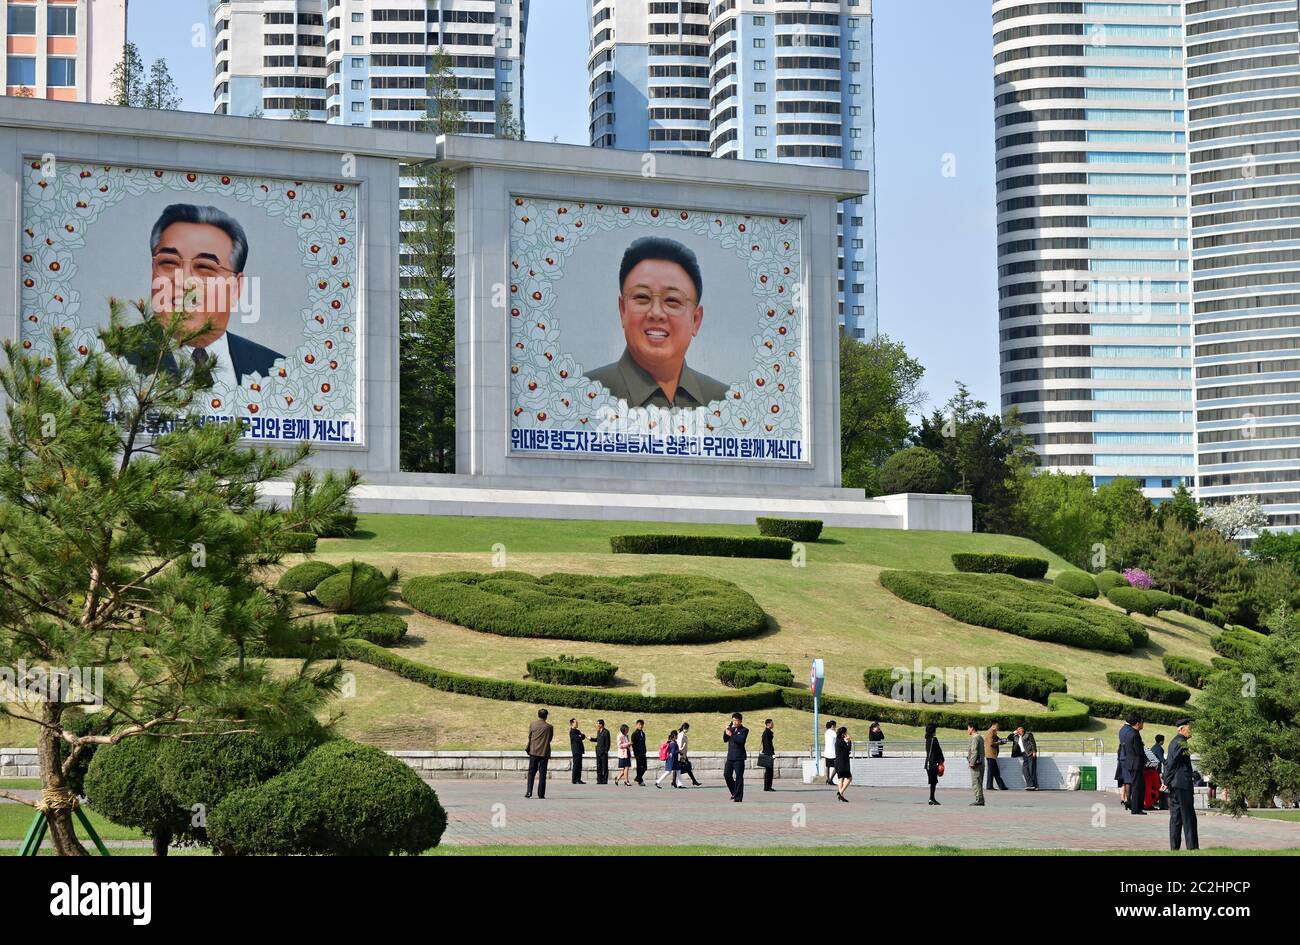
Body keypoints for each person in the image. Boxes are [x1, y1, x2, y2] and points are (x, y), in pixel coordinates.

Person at [147, 203, 283, 385]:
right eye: (169, 262)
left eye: (204, 267)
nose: (184, 281)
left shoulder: (277, 370)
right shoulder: (111, 357)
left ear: (236, 288)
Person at [585, 236, 729, 409]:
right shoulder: (582, 394)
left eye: (672, 300)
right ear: (623, 310)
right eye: (642, 297)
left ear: (695, 320)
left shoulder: (725, 403)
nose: (656, 313)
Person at [1162, 719, 1199, 850]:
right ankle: (1192, 847)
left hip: (1175, 784)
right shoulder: (1181, 742)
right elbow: (1172, 763)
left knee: (1176, 817)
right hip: (1182, 784)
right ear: (1182, 729)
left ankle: (1174, 848)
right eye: (1190, 728)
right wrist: (1165, 781)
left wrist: (1166, 781)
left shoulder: (1175, 742)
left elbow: (1169, 763)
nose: (1191, 731)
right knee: (1188, 816)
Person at [1120, 715, 1147, 814]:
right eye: (1142, 722)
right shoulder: (1135, 734)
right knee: (1137, 787)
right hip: (1136, 763)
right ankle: (1136, 808)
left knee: (1137, 786)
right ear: (1137, 723)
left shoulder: (1128, 733)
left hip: (1130, 763)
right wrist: (1145, 759)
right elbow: (1138, 751)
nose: (1142, 724)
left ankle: (1136, 807)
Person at [525, 708, 554, 800]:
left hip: (533, 751)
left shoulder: (533, 724)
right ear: (546, 716)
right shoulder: (549, 727)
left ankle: (529, 792)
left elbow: (529, 736)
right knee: (542, 773)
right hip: (544, 752)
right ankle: (541, 794)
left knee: (531, 773)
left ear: (538, 715)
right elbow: (550, 739)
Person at [723, 713, 748, 802]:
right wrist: (726, 731)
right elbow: (725, 740)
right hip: (730, 757)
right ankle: (734, 792)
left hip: (739, 757)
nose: (734, 722)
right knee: (726, 774)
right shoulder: (731, 729)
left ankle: (738, 797)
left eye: (736, 720)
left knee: (739, 777)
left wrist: (731, 735)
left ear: (740, 721)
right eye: (733, 720)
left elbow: (741, 740)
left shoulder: (744, 730)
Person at [924, 722, 945, 806]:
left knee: (933, 781)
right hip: (933, 763)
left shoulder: (927, 740)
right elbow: (938, 751)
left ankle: (931, 798)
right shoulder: (934, 739)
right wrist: (942, 760)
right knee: (934, 782)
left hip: (928, 763)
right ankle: (931, 798)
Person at [1012, 724, 1038, 791]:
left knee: (1032, 770)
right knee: (1025, 770)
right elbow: (1008, 738)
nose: (1020, 729)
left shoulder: (1028, 734)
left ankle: (1035, 785)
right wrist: (1013, 733)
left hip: (1030, 753)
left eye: (1021, 728)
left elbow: (1033, 743)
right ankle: (1030, 785)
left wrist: (1034, 751)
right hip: (1024, 755)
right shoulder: (1016, 737)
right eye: (1019, 729)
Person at [966, 721, 986, 806]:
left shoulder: (975, 738)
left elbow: (974, 751)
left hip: (976, 765)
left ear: (972, 728)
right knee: (979, 782)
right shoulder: (980, 737)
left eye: (968, 728)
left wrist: (972, 762)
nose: (967, 730)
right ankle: (980, 799)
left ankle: (979, 800)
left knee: (976, 782)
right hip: (981, 763)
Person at [984, 723, 1008, 791]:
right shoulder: (990, 732)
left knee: (995, 771)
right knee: (992, 771)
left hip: (992, 755)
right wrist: (1000, 742)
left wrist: (1002, 741)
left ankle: (1001, 786)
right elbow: (991, 743)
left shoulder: (993, 733)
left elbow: (998, 739)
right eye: (997, 726)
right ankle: (990, 786)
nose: (998, 728)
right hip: (990, 754)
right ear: (993, 726)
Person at [675, 721, 700, 786]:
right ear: (684, 728)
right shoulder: (681, 735)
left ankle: (694, 781)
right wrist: (681, 756)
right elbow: (679, 746)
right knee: (680, 768)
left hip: (684, 755)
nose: (688, 730)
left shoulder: (684, 735)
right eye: (687, 728)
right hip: (681, 755)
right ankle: (674, 781)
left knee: (687, 768)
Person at [834, 726, 853, 803]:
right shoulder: (842, 741)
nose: (846, 734)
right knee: (849, 778)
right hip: (843, 763)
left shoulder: (837, 741)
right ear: (843, 734)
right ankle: (840, 793)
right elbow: (848, 749)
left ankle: (841, 796)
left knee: (840, 778)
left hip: (837, 762)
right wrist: (849, 741)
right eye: (845, 733)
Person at [1151, 733, 1168, 810]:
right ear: (1161, 741)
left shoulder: (1153, 748)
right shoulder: (1159, 749)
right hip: (1156, 770)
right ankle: (1158, 802)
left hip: (1151, 769)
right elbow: (1162, 759)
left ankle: (1154, 800)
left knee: (1153, 786)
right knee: (1159, 786)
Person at [591, 719, 611, 785]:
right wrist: (591, 739)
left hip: (603, 752)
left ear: (601, 725)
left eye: (597, 724)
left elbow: (608, 742)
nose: (597, 725)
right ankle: (599, 780)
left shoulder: (606, 732)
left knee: (604, 767)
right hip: (598, 752)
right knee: (599, 766)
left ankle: (604, 780)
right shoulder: (598, 731)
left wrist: (606, 751)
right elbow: (598, 740)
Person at [569, 718, 587, 785]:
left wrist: (580, 736)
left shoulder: (577, 731)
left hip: (580, 750)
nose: (577, 724)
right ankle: (574, 779)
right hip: (576, 750)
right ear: (572, 723)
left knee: (579, 765)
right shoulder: (572, 731)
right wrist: (580, 736)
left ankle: (578, 779)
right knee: (576, 765)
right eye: (576, 723)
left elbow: (583, 736)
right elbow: (576, 738)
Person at [760, 719, 776, 791]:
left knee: (769, 771)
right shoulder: (766, 733)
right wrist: (771, 754)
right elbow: (767, 744)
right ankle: (767, 787)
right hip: (768, 754)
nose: (773, 725)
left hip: (768, 753)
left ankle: (768, 787)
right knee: (769, 771)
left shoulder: (767, 732)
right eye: (772, 723)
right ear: (768, 724)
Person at [632, 719, 648, 785]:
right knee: (639, 768)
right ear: (636, 725)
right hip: (638, 754)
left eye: (642, 725)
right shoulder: (634, 734)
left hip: (643, 753)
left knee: (645, 767)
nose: (641, 726)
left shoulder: (643, 733)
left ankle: (637, 778)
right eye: (639, 724)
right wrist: (636, 754)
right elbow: (634, 745)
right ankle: (640, 781)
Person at [823, 720, 838, 785]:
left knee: (828, 766)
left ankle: (828, 779)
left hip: (827, 752)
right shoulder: (832, 732)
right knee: (837, 767)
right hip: (833, 752)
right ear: (832, 726)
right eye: (835, 725)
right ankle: (831, 779)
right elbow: (838, 737)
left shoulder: (826, 732)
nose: (835, 727)